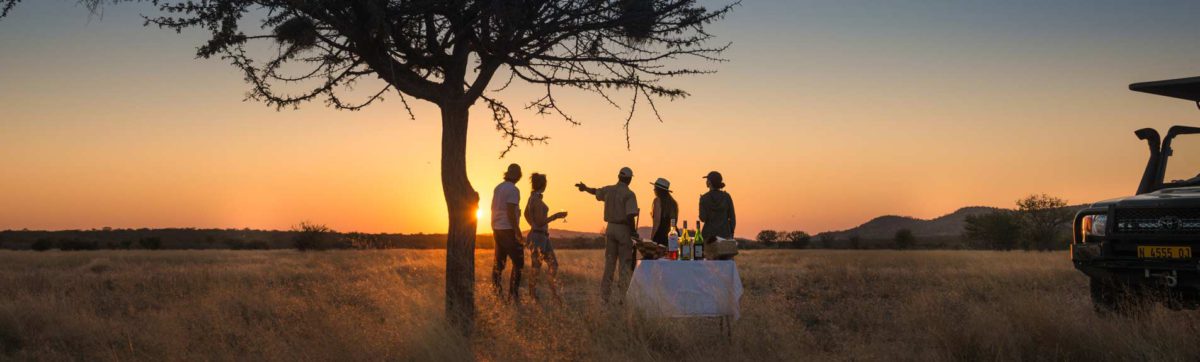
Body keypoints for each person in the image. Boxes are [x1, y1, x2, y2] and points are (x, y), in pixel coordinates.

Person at [575, 167, 640, 304]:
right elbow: (630, 215)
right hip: (623, 230)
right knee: (624, 265)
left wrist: (585, 188)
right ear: (629, 179)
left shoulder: (609, 190)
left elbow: (596, 192)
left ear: (618, 176)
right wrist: (633, 232)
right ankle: (623, 298)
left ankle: (605, 297)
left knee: (609, 264)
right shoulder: (629, 194)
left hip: (610, 228)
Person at [524, 173, 568, 303]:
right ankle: (534, 295)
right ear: (543, 185)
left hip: (542, 236)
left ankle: (552, 293)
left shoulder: (532, 198)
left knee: (552, 264)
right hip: (538, 237)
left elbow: (526, 214)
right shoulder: (536, 200)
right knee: (537, 266)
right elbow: (540, 221)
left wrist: (533, 225)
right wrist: (556, 216)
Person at [491, 163, 524, 303]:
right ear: (518, 175)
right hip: (508, 230)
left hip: (497, 228)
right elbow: (510, 212)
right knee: (519, 262)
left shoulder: (498, 187)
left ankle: (497, 294)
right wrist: (517, 231)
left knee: (499, 264)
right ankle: (513, 296)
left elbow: (496, 208)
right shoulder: (514, 190)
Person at [699, 171, 736, 241]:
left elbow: (702, 218)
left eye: (707, 180)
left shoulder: (704, 198)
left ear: (710, 182)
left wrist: (701, 204)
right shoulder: (727, 197)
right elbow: (732, 218)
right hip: (725, 235)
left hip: (708, 236)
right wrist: (731, 233)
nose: (706, 182)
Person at [649, 178, 678, 246]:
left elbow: (657, 221)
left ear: (659, 190)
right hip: (672, 235)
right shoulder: (673, 203)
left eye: (655, 188)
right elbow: (674, 222)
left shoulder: (657, 201)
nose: (654, 190)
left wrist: (652, 238)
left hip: (660, 236)